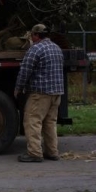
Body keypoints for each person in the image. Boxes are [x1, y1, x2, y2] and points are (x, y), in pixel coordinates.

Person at [13, 23, 64, 163]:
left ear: (36, 35)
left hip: (41, 93)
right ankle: (52, 152)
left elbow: (25, 71)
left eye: (32, 35)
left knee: (32, 121)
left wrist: (18, 88)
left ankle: (35, 153)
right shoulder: (56, 48)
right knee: (50, 123)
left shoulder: (35, 49)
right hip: (57, 93)